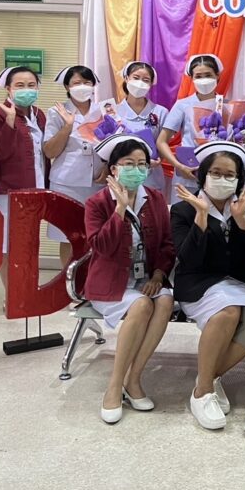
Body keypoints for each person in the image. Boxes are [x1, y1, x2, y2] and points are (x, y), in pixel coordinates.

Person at [170, 140, 245, 430]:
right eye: (216, 173)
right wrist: (201, 217)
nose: (222, 179)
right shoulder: (183, 209)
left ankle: (209, 377)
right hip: (199, 283)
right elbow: (188, 260)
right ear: (203, 175)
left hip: (240, 281)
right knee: (229, 312)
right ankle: (202, 392)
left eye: (230, 175)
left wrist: (242, 221)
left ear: (239, 179)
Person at [86, 134, 176, 425]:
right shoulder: (97, 203)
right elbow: (101, 247)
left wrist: (159, 274)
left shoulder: (156, 199)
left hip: (145, 279)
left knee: (165, 301)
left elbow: (167, 244)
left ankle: (133, 379)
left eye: (141, 164)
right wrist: (120, 209)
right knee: (142, 306)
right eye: (128, 164)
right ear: (114, 169)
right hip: (110, 283)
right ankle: (114, 387)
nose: (136, 170)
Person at [0, 65, 46, 288]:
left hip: (35, 189)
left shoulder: (39, 115)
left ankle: (26, 291)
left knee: (28, 242)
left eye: (31, 85)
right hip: (7, 191)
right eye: (19, 85)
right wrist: (10, 122)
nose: (26, 89)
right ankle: (11, 294)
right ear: (8, 89)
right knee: (7, 245)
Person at [44, 65, 103, 268]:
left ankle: (91, 279)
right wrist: (67, 127)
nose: (83, 86)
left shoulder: (105, 111)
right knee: (67, 235)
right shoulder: (56, 112)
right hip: (66, 182)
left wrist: (106, 168)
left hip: (98, 182)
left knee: (95, 233)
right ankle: (68, 280)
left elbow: (114, 144)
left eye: (87, 82)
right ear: (67, 87)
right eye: (77, 83)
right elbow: (49, 151)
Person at [162, 53, 225, 203]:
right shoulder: (182, 105)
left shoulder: (226, 105)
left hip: (217, 175)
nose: (204, 80)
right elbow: (161, 141)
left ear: (217, 76)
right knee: (183, 215)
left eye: (208, 75)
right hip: (187, 174)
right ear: (191, 78)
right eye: (198, 76)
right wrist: (179, 166)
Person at [115, 61, 170, 195]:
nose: (140, 83)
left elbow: (163, 143)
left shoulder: (161, 112)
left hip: (151, 177)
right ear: (126, 78)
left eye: (146, 80)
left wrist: (159, 159)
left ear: (151, 84)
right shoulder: (113, 112)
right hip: (123, 175)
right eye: (136, 77)